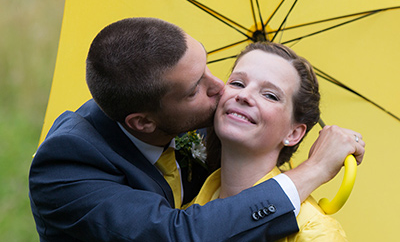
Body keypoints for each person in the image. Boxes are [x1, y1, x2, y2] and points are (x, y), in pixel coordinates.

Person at [29, 17, 365, 241]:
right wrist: (315, 169)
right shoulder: (67, 168)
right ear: (144, 123)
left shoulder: (312, 232)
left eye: (208, 68)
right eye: (194, 90)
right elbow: (183, 235)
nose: (223, 90)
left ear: (295, 131)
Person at [191, 42, 364, 241]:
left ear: (293, 133)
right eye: (238, 83)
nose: (244, 95)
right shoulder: (188, 205)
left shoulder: (313, 231)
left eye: (270, 95)